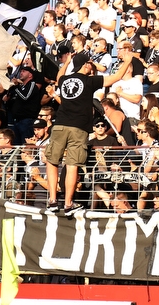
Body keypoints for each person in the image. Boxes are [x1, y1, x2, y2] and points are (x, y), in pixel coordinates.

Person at [44, 51, 134, 216]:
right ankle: (68, 203)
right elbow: (116, 77)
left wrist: (66, 62)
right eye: (90, 64)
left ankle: (52, 200)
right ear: (85, 65)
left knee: (52, 161)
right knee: (72, 165)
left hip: (60, 125)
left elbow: (59, 75)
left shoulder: (64, 80)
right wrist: (127, 62)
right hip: (79, 128)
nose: (91, 66)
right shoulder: (90, 81)